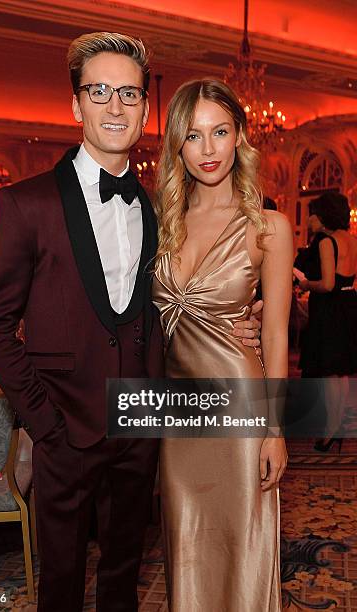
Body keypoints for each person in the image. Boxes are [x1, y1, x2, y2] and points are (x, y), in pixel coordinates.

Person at [0, 34, 260, 612]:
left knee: (123, 576)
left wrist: (243, 320)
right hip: (63, 427)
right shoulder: (25, 203)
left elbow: (176, 300)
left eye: (128, 93)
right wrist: (44, 423)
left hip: (142, 423)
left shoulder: (161, 206)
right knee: (60, 583)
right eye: (99, 90)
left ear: (145, 108)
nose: (114, 105)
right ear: (77, 105)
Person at [152, 79, 292, 611]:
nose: (207, 150)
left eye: (220, 132)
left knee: (243, 546)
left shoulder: (268, 229)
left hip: (239, 408)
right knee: (185, 542)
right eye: (192, 135)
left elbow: (276, 332)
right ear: (176, 145)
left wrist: (276, 430)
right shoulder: (160, 225)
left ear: (239, 138)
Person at [299, 192, 357, 452]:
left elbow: (327, 284)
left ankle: (332, 428)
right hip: (349, 305)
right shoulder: (353, 241)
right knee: (342, 371)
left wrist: (305, 284)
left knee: (329, 372)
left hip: (331, 309)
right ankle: (339, 425)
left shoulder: (327, 242)